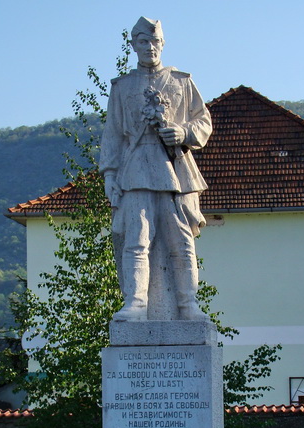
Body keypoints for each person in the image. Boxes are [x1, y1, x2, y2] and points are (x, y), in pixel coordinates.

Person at [100, 17, 212, 321]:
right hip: (136, 168)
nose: (150, 47)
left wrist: (182, 132)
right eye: (143, 42)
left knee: (181, 239)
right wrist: (110, 175)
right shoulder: (122, 87)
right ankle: (136, 303)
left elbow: (203, 121)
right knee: (137, 239)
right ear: (133, 45)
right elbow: (112, 134)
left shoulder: (181, 81)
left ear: (162, 44)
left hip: (175, 169)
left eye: (155, 42)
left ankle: (188, 304)